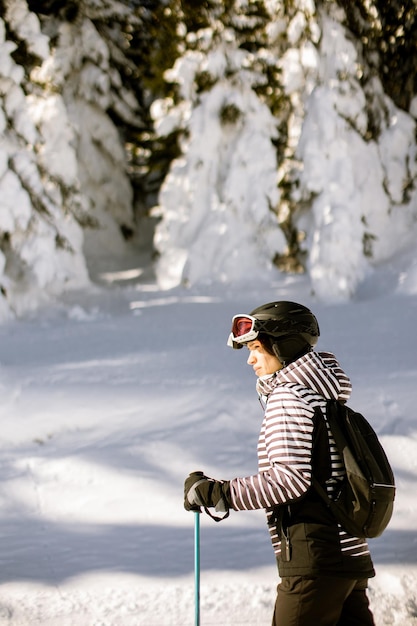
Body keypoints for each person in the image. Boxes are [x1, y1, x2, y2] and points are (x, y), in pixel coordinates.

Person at [184, 301, 375, 626]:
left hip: (315, 557)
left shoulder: (289, 398)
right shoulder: (322, 396)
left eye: (257, 348)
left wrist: (217, 493)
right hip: (348, 557)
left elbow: (289, 480)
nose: (250, 358)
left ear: (283, 347)